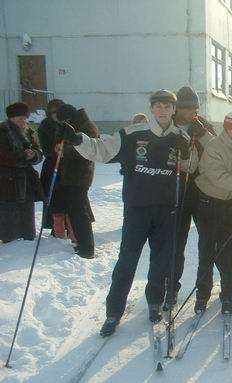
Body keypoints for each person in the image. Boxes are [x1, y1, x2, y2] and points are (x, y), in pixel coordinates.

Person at [59, 90, 190, 336]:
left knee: (161, 261)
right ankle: (114, 311)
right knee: (127, 261)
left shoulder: (180, 136)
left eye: (167, 106)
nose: (162, 110)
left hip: (166, 209)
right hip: (137, 209)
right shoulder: (132, 134)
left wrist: (188, 154)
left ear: (174, 109)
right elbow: (102, 151)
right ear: (152, 108)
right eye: (158, 105)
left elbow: (190, 167)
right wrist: (78, 139)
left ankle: (154, 301)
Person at [193, 111, 232, 314]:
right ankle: (202, 294)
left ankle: (229, 293)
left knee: (228, 249)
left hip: (230, 202)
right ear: (229, 129)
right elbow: (217, 176)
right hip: (209, 203)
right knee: (207, 249)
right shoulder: (214, 147)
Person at [169, 86, 216, 305]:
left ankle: (203, 290)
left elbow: (218, 149)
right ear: (177, 108)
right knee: (176, 243)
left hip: (200, 189)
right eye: (188, 109)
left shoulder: (201, 124)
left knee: (207, 241)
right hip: (176, 189)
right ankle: (171, 288)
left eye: (195, 108)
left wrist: (203, 134)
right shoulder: (168, 125)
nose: (192, 113)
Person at [54, 104, 98, 258]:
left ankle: (87, 248)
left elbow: (89, 150)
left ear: (68, 119)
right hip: (72, 176)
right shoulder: (78, 124)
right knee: (75, 212)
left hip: (79, 176)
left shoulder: (86, 126)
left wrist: (64, 151)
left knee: (79, 213)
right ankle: (82, 244)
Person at [0, 102, 43, 242]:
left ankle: (27, 235)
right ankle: (10, 238)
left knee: (26, 208)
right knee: (9, 208)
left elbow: (39, 152)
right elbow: (2, 156)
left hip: (26, 178)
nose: (23, 121)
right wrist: (22, 156)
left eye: (25, 118)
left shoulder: (28, 132)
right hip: (7, 179)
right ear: (11, 118)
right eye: (20, 118)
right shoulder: (3, 132)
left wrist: (34, 155)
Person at [38, 98, 65, 233]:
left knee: (68, 196)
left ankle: (69, 226)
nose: (56, 114)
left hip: (66, 165)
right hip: (52, 165)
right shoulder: (45, 126)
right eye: (54, 112)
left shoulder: (67, 124)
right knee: (54, 196)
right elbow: (47, 149)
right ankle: (55, 228)